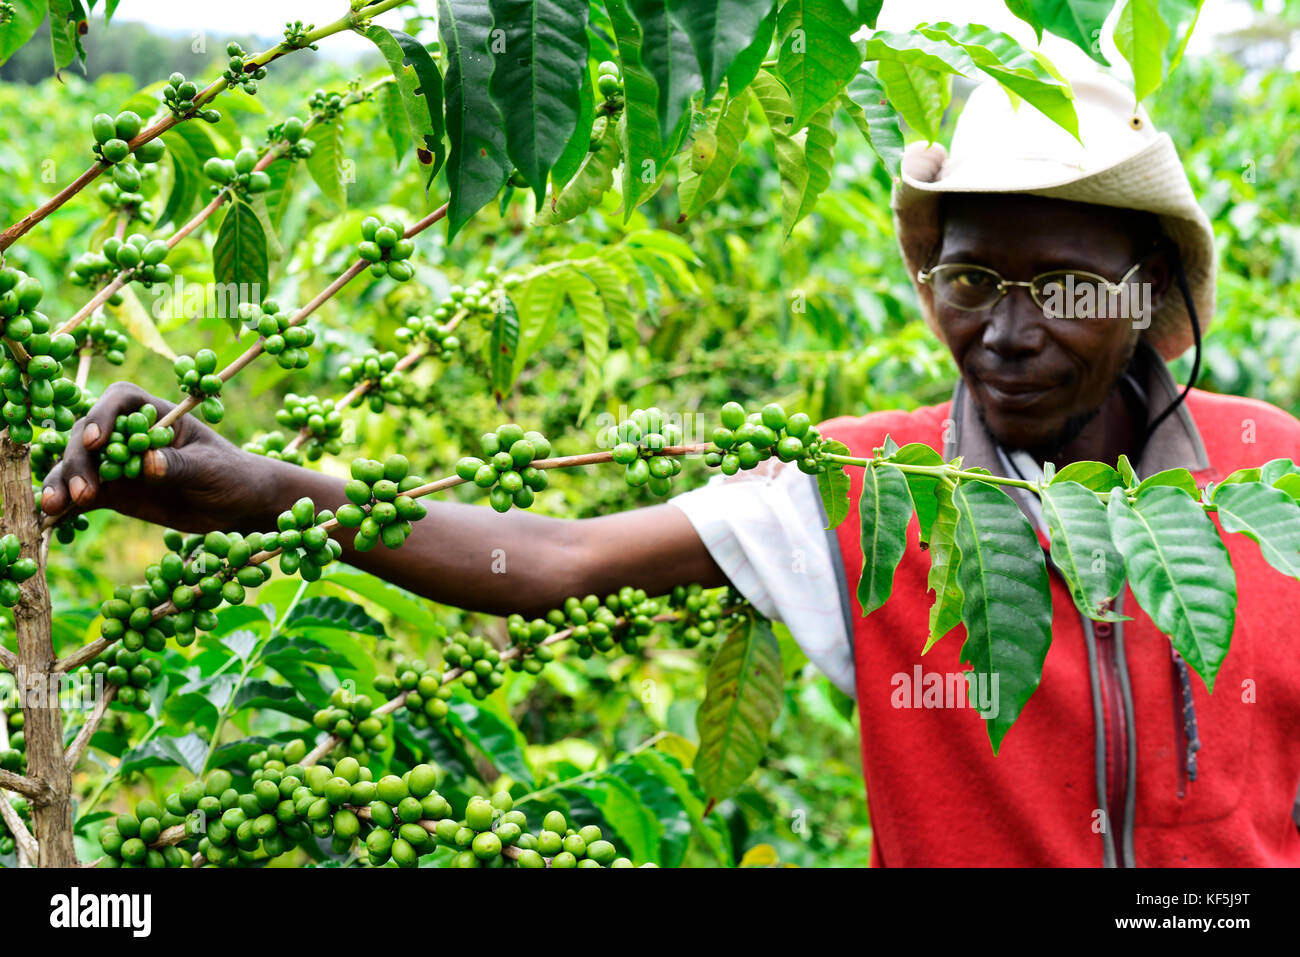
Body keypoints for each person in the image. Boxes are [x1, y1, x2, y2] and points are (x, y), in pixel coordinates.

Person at [39, 74, 1300, 867]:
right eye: (968, 280)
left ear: (1145, 298)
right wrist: (266, 491)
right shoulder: (868, 487)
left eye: (1059, 287)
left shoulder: (1273, 476)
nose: (1003, 333)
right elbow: (553, 562)